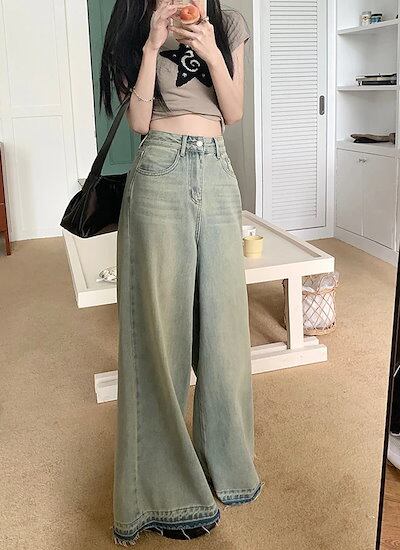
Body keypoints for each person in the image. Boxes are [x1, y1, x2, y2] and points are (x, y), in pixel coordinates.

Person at [99, 0, 264, 545]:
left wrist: (212, 51)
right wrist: (151, 45)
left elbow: (233, 111)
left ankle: (228, 467)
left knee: (224, 332)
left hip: (216, 170)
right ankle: (164, 493)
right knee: (160, 338)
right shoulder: (134, 24)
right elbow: (139, 122)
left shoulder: (228, 22)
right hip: (160, 168)